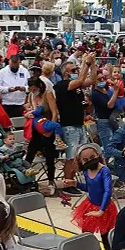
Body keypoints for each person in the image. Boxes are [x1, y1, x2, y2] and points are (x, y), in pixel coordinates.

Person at [66, 144, 118, 250]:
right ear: (81, 161)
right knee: (85, 240)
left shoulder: (104, 170)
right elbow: (89, 188)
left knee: (107, 241)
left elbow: (107, 191)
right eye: (85, 159)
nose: (90, 161)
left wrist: (101, 210)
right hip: (90, 208)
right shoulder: (86, 171)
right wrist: (75, 184)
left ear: (98, 156)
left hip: (104, 208)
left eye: (92, 157)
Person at [55, 55, 97, 194]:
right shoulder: (61, 85)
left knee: (80, 156)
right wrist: (86, 63)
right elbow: (79, 80)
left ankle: (75, 182)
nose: (76, 71)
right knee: (71, 157)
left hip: (79, 124)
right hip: (68, 126)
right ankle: (67, 184)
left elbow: (92, 80)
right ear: (66, 73)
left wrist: (92, 65)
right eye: (73, 70)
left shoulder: (77, 87)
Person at [92, 71, 122, 147]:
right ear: (94, 81)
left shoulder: (106, 90)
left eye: (103, 78)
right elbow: (110, 105)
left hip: (112, 119)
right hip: (104, 122)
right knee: (109, 147)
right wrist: (116, 91)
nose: (102, 80)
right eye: (99, 79)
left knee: (117, 144)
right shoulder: (95, 93)